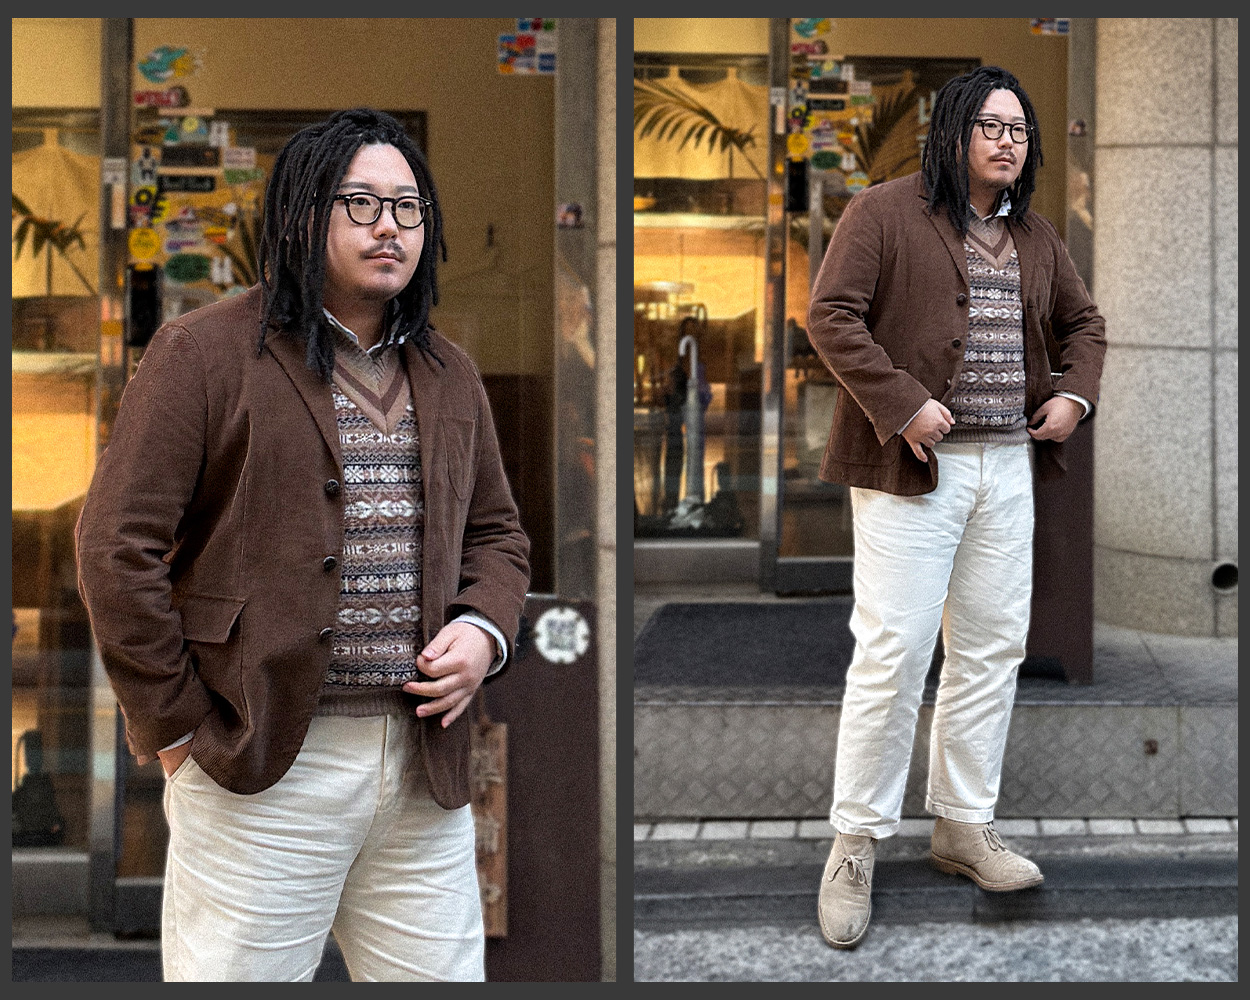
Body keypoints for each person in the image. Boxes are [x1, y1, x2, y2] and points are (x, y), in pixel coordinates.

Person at [75, 108, 530, 981]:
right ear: (300, 214)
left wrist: (483, 631)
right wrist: (178, 734)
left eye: (408, 206)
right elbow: (114, 550)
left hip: (422, 770)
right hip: (261, 763)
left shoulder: (448, 373)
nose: (389, 225)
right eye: (360, 203)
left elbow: (497, 534)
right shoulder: (204, 353)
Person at [806, 66, 1105, 949]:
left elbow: (1083, 324)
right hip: (915, 470)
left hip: (1008, 467)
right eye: (992, 126)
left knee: (990, 648)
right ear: (953, 135)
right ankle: (854, 843)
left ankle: (961, 826)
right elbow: (831, 316)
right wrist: (902, 402)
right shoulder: (883, 212)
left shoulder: (1039, 237)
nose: (1008, 140)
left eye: (1020, 129)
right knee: (893, 653)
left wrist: (1073, 398)